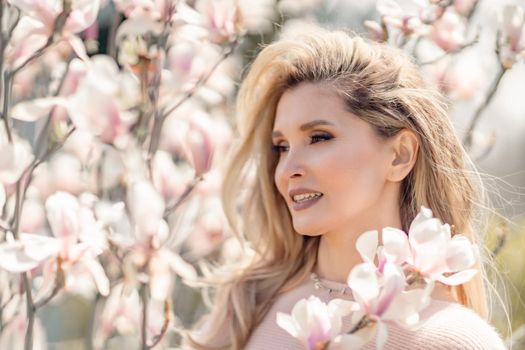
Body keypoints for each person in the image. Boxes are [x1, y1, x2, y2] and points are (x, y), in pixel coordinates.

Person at [183, 25, 507, 349]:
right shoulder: (248, 305)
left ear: (399, 155)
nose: (287, 170)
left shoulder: (453, 339)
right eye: (282, 147)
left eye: (319, 137)